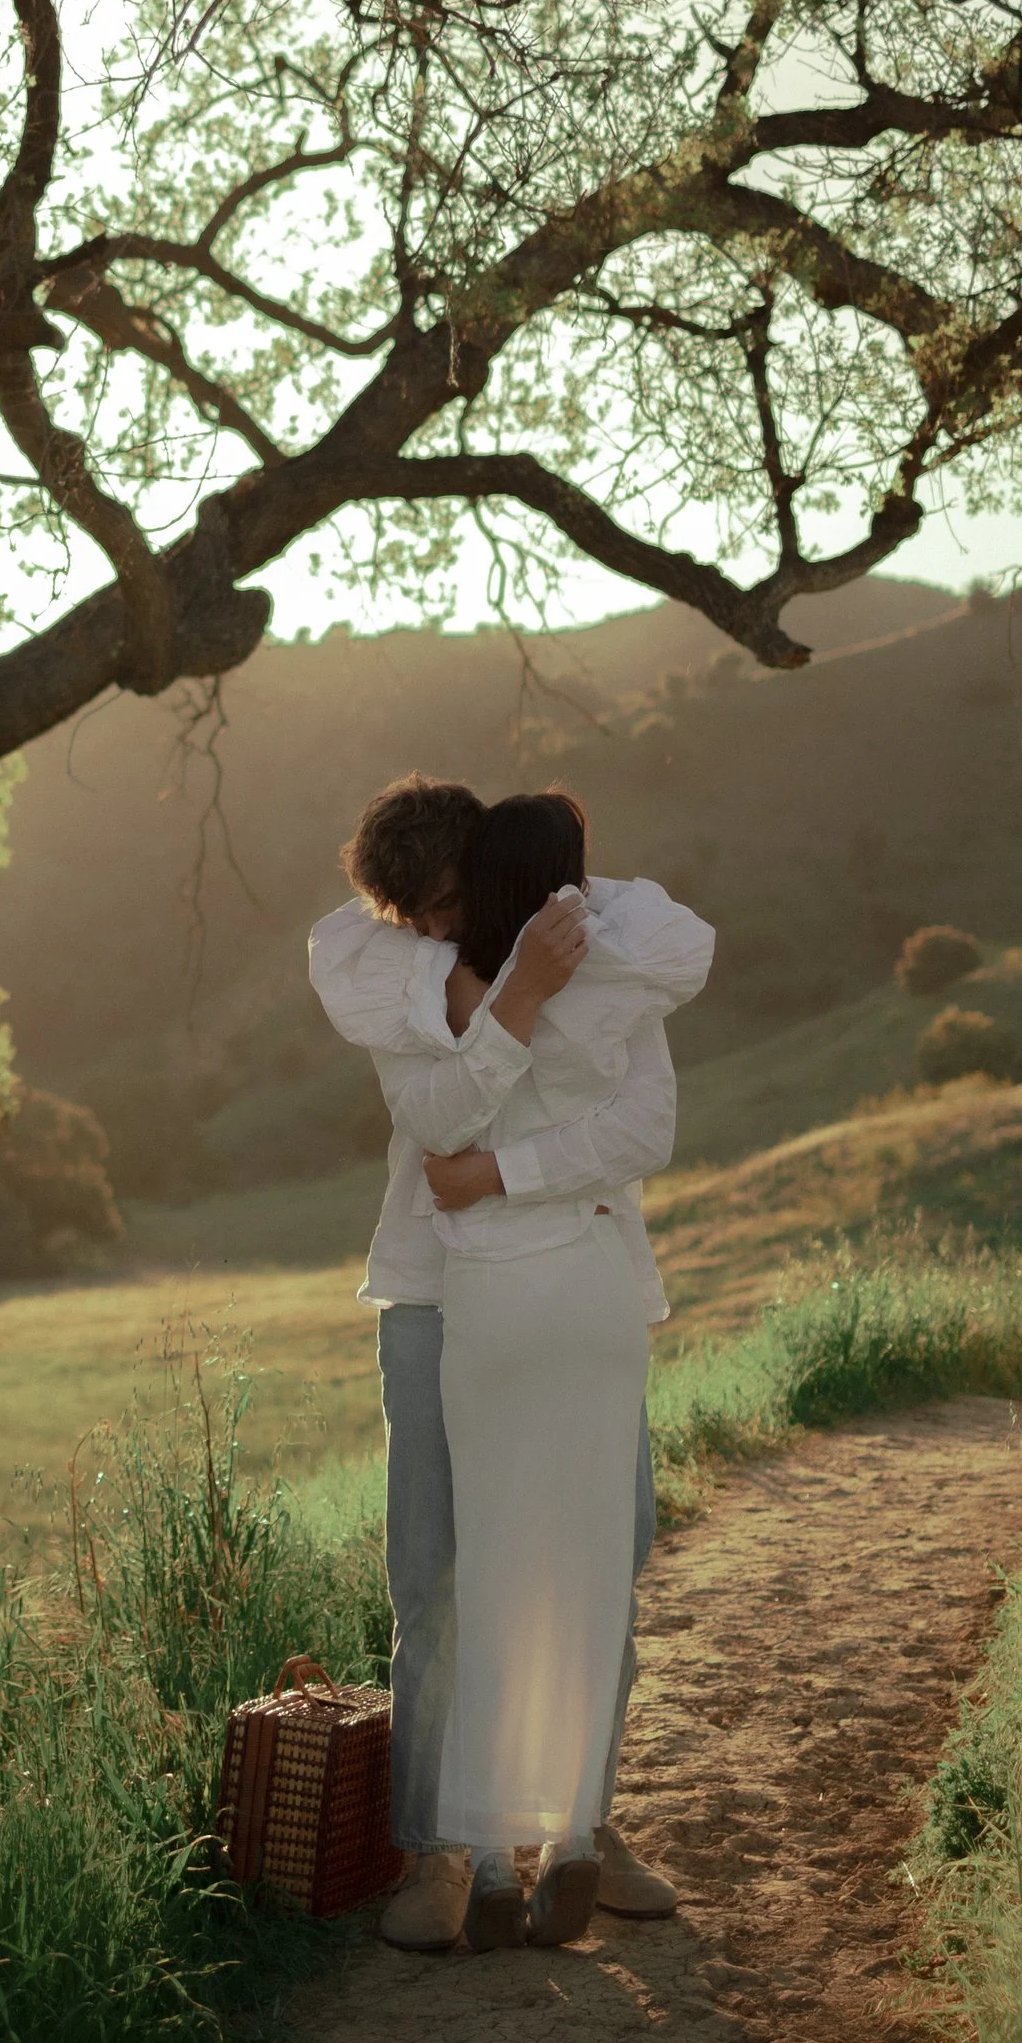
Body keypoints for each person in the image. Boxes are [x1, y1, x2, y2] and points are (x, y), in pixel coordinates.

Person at [308, 777, 712, 1950]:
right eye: (416, 915)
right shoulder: (397, 980)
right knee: (437, 1578)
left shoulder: (594, 951)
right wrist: (512, 999)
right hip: (438, 1293)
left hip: (582, 1281)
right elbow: (438, 1123)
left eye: (448, 905)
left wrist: (511, 1166)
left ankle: (581, 1814)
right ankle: (438, 1849)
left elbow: (642, 1126)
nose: (437, 932)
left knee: (606, 1552)